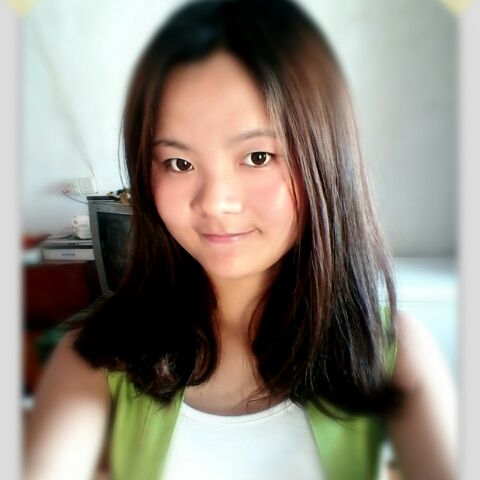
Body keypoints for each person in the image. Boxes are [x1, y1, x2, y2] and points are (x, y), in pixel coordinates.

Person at [24, 0, 456, 479]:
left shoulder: (392, 353)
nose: (215, 202)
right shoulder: (95, 359)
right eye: (180, 163)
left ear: (324, 161)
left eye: (257, 157)